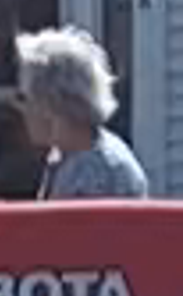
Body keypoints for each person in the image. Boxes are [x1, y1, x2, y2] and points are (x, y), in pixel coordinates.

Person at [14, 28, 149, 200]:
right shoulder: (64, 156)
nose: (21, 108)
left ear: (51, 103)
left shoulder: (98, 174)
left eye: (25, 98)